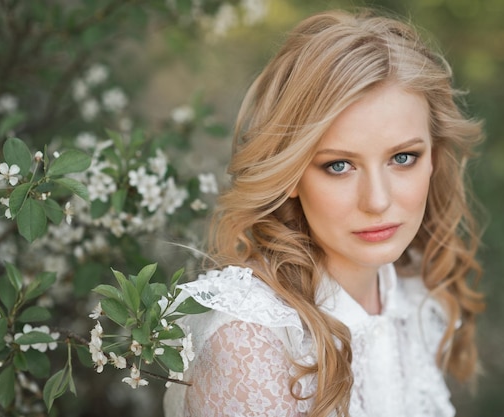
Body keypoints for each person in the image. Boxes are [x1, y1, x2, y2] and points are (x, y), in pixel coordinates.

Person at [163, 9, 485, 417]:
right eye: (339, 165)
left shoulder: (413, 293)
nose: (377, 200)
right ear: (291, 173)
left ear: (434, 158)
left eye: (403, 157)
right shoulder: (249, 341)